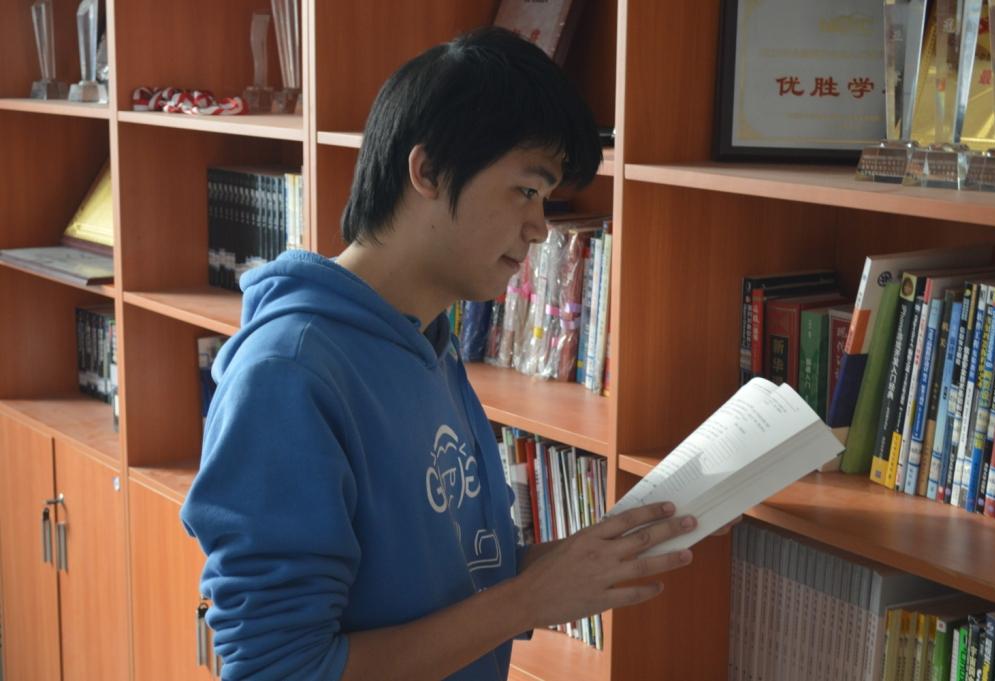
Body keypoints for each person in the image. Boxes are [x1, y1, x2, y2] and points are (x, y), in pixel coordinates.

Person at [181, 26, 719, 681]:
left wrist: (579, 562)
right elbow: (282, 669)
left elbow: (449, 579)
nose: (540, 227)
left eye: (547, 199)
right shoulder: (287, 376)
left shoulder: (426, 341)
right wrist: (529, 598)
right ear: (428, 170)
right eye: (527, 190)